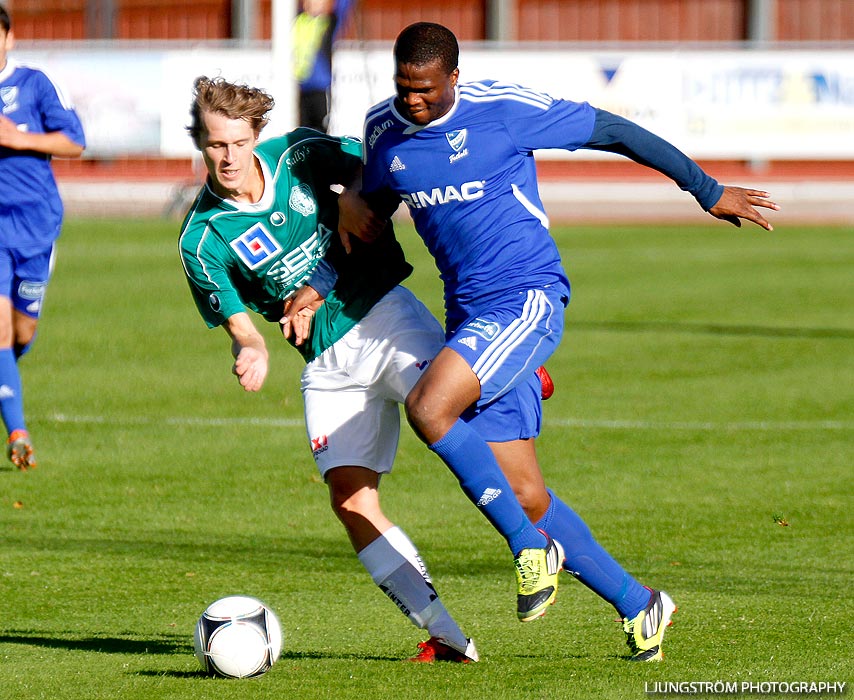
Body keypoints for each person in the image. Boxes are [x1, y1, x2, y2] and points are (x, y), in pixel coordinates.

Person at [342, 22, 779, 661]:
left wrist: (707, 190)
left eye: (427, 90)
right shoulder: (384, 130)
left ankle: (528, 549)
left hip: (527, 297)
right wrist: (348, 200)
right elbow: (372, 202)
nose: (414, 101)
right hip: (470, 318)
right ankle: (641, 604)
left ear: (454, 77)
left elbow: (615, 130)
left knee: (429, 408)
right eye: (404, 87)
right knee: (524, 494)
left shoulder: (504, 112)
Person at [178, 76, 478, 663]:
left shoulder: (300, 152)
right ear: (201, 144)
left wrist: (348, 195)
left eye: (238, 142)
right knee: (349, 498)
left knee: (457, 412)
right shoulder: (202, 238)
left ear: (254, 135)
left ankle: (502, 378)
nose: (228, 156)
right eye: (216, 145)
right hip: (324, 362)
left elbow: (380, 165)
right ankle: (447, 636)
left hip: (384, 316)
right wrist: (251, 347)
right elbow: (239, 322)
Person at [0, 4, 86, 470]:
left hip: (35, 227)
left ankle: (4, 372)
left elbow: (74, 142)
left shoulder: (35, 84)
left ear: (9, 38)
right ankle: (18, 433)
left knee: (21, 333)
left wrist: (19, 139)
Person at [292, 0, 353, 132]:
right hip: (301, 86)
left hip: (321, 87)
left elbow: (344, 6)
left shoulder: (328, 22)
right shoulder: (299, 19)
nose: (312, 4)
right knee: (302, 130)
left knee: (320, 129)